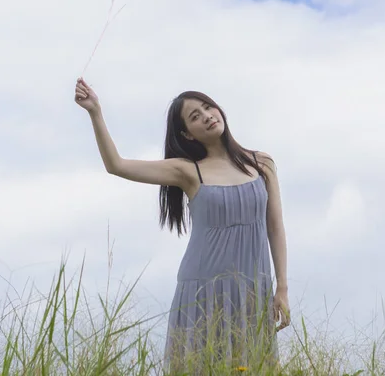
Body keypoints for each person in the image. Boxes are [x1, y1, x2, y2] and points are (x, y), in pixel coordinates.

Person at [75, 77, 290, 372]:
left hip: (252, 289)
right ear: (188, 135)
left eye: (207, 107)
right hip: (203, 290)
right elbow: (117, 165)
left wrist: (282, 287)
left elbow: (275, 227)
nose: (207, 116)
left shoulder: (261, 163)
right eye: (195, 117)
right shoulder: (188, 172)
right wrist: (95, 112)